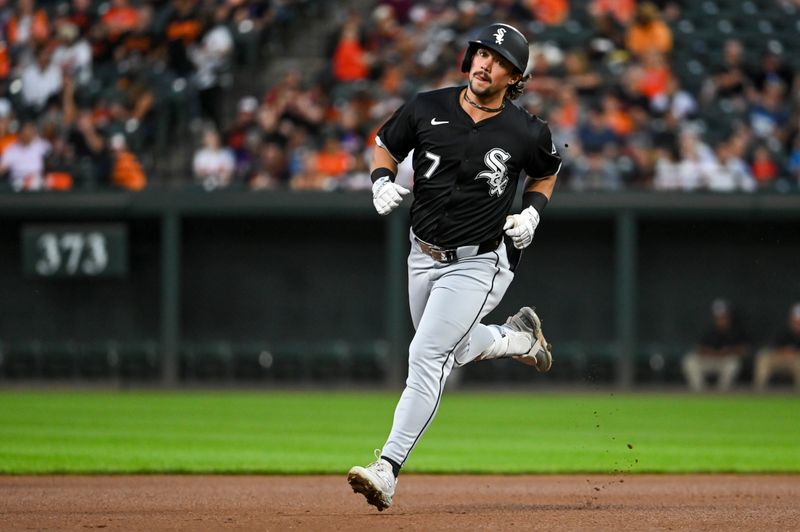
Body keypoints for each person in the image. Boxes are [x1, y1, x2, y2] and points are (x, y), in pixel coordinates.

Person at [347, 22, 560, 511]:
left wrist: (532, 211)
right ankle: (518, 339)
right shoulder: (428, 106)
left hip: (480, 261)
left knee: (426, 356)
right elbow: (385, 141)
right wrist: (380, 180)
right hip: (421, 254)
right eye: (482, 53)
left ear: (515, 76)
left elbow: (547, 170)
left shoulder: (526, 130)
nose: (486, 63)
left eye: (500, 60)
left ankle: (387, 469)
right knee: (452, 349)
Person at [681, 298, 750, 392]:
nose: (721, 320)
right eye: (718, 317)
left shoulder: (737, 330)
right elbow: (699, 349)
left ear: (729, 316)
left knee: (733, 363)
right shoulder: (709, 329)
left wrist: (728, 351)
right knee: (689, 361)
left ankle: (722, 392)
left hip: (725, 361)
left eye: (724, 317)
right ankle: (699, 391)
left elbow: (744, 350)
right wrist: (713, 352)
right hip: (709, 359)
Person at [754, 303, 800, 390]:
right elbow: (772, 346)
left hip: (796, 360)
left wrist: (794, 352)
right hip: (781, 358)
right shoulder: (784, 330)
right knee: (763, 356)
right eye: (796, 320)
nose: (798, 323)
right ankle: (758, 392)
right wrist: (785, 350)